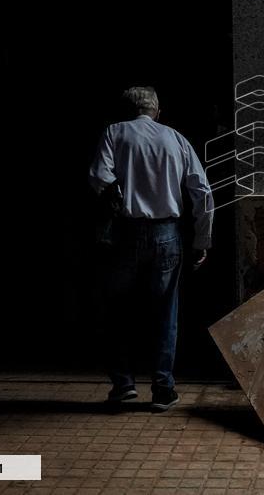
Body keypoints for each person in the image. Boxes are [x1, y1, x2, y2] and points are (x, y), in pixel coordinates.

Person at [89, 86, 214, 411]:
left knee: (117, 311)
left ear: (127, 110)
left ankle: (123, 385)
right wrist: (202, 240)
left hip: (125, 234)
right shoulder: (176, 139)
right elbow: (202, 192)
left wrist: (118, 193)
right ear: (158, 112)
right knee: (164, 314)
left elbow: (99, 176)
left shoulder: (114, 132)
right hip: (167, 235)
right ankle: (162, 388)